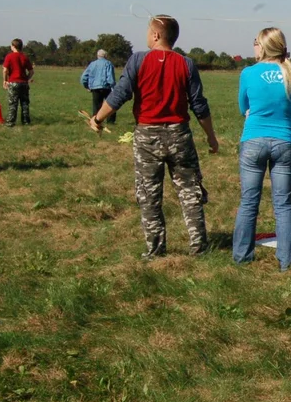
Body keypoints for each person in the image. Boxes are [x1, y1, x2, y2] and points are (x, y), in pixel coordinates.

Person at [90, 14, 219, 259]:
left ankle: (156, 250)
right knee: (190, 192)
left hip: (147, 136)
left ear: (157, 35)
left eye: (149, 31)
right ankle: (199, 246)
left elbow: (120, 94)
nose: (147, 36)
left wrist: (98, 118)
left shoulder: (138, 60)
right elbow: (199, 105)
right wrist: (211, 137)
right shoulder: (186, 64)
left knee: (149, 195)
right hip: (180, 135)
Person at [232, 27, 291, 271]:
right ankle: (287, 261)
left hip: (253, 140)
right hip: (284, 141)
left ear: (263, 46)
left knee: (249, 201)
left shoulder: (249, 73)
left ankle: (242, 257)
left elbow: (244, 107)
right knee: (283, 204)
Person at [2, 39, 34, 127]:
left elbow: (5, 70)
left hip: (13, 82)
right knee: (24, 103)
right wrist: (26, 79)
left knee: (13, 103)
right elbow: (31, 71)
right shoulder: (25, 57)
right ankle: (26, 121)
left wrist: (5, 80)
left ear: (14, 46)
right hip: (23, 83)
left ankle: (10, 122)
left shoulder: (9, 56)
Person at [81, 49, 118, 124]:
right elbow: (110, 78)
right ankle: (110, 122)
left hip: (95, 88)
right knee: (110, 104)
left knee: (96, 106)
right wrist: (114, 88)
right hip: (106, 87)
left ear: (98, 56)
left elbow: (84, 77)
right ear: (105, 56)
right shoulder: (108, 63)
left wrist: (87, 86)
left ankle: (96, 121)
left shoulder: (92, 64)